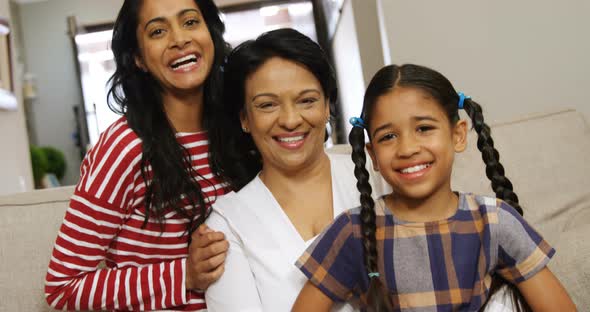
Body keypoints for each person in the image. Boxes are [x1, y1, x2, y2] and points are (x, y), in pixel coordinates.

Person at [292, 64, 577, 311]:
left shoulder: (494, 221)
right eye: (388, 136)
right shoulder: (353, 231)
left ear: (458, 135)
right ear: (373, 155)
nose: (407, 148)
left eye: (424, 128)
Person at [44, 0, 232, 310]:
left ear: (209, 34)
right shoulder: (124, 146)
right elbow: (62, 287)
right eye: (158, 31)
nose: (179, 39)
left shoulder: (238, 129)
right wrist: (184, 274)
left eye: (190, 22)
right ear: (139, 59)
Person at [203, 28, 389, 311]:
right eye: (267, 105)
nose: (290, 120)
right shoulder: (227, 226)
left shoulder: (379, 173)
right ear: (244, 119)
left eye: (307, 101)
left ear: (328, 105)